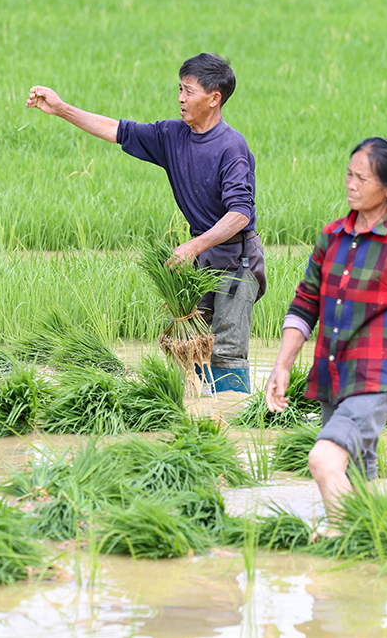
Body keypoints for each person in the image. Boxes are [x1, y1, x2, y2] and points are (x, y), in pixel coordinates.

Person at [26, 53, 266, 393]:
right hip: (200, 256)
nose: (181, 98)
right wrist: (62, 108)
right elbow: (116, 130)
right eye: (179, 89)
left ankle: (232, 422)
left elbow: (240, 214)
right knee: (187, 341)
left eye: (189, 91)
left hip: (236, 260)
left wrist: (194, 245)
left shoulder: (231, 147)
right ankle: (195, 412)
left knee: (226, 350)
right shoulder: (172, 135)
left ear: (214, 99)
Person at [264, 137, 387, 522]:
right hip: (334, 375)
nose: (351, 184)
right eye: (349, 175)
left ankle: (345, 536)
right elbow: (305, 303)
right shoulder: (332, 237)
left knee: (322, 459)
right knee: (355, 475)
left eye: (362, 179)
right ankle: (372, 550)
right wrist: (282, 364)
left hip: (378, 378)